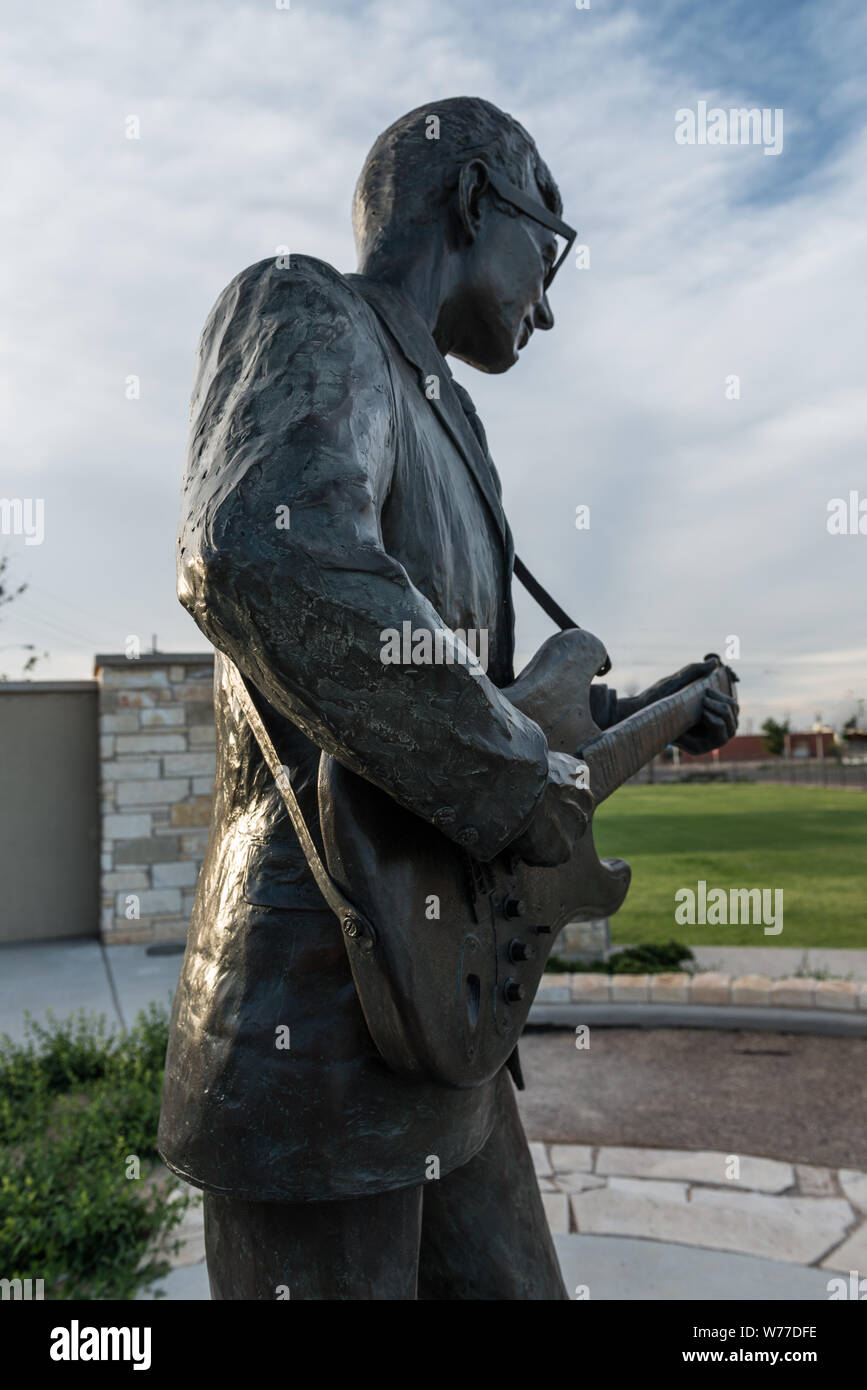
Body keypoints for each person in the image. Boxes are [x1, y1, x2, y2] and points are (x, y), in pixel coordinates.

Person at [158, 96, 737, 1300]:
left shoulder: (454, 421)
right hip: (310, 1025)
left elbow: (484, 701)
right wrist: (513, 775)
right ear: (477, 197)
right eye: (550, 242)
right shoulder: (305, 307)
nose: (552, 296)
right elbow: (264, 550)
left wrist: (661, 707)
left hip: (452, 1030)